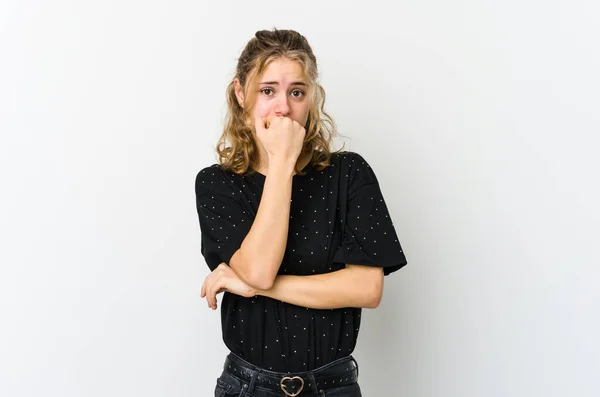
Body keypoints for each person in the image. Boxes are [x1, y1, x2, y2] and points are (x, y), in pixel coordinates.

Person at [195, 28, 407, 397]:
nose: (283, 107)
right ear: (240, 94)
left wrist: (249, 286)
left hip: (333, 386)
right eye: (267, 90)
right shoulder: (217, 184)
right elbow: (259, 269)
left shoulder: (349, 173)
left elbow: (368, 289)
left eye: (297, 92)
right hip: (249, 387)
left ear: (311, 98)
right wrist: (281, 163)